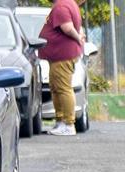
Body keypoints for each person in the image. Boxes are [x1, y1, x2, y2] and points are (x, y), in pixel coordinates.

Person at [40, 0, 86, 136]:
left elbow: (67, 27)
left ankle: (68, 123)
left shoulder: (62, 6)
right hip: (57, 57)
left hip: (63, 56)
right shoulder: (68, 4)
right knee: (56, 88)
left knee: (63, 88)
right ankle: (60, 120)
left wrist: (78, 38)